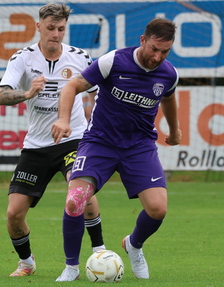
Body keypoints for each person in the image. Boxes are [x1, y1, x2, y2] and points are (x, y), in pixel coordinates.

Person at [52, 17, 182, 281]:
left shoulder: (169, 74)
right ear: (143, 40)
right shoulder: (113, 61)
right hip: (100, 142)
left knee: (158, 209)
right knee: (75, 200)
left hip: (139, 146)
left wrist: (175, 129)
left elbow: (168, 98)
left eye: (164, 52)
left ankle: (133, 245)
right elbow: (72, 86)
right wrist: (64, 119)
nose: (157, 57)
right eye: (154, 49)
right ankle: (72, 267)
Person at [0, 3, 105, 277]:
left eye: (60, 29)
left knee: (81, 193)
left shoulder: (80, 57)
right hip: (37, 145)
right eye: (50, 28)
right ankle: (26, 263)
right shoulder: (22, 58)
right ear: (38, 27)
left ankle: (99, 253)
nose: (55, 34)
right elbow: (1, 95)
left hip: (75, 139)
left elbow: (100, 92)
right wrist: (26, 93)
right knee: (14, 214)